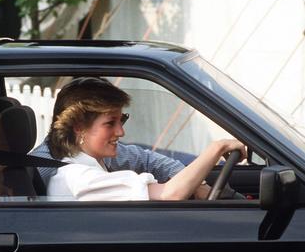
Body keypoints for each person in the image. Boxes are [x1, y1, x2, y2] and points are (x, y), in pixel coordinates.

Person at [45, 81, 246, 201]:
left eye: (121, 120)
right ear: (79, 127)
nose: (121, 131)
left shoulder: (92, 169)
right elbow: (171, 194)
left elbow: (149, 161)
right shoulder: (79, 178)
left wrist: (199, 185)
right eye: (110, 123)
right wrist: (216, 148)